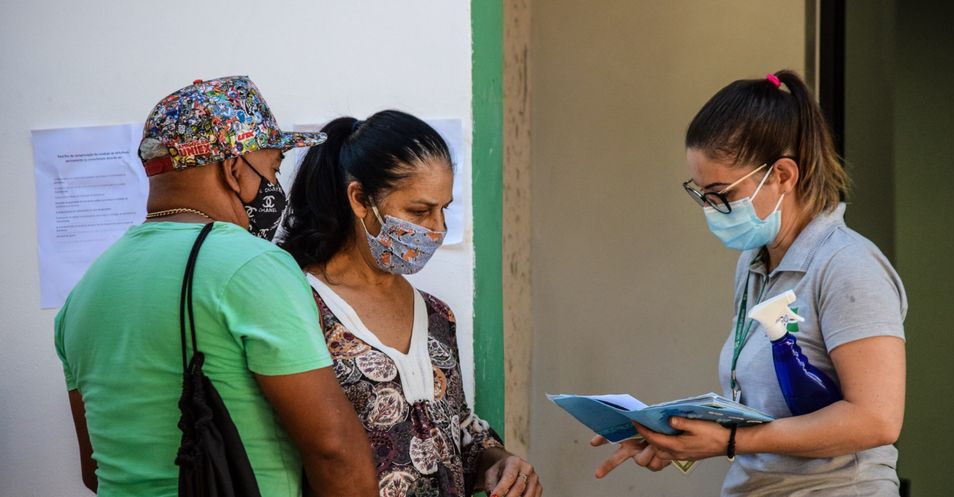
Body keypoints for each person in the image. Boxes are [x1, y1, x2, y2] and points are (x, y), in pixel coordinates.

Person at [54, 76, 378, 497]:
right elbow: (333, 450)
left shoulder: (85, 292)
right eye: (273, 168)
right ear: (233, 169)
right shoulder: (252, 266)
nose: (274, 186)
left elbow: (93, 469)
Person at [592, 70, 907, 496]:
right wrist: (676, 434)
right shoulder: (755, 262)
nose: (711, 209)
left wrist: (730, 441)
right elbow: (766, 415)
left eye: (722, 194)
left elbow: (876, 419)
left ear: (783, 175)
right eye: (702, 194)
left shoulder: (848, 265)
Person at [278, 110, 542, 497]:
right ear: (359, 199)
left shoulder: (436, 315)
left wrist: (499, 462)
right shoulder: (301, 305)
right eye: (419, 211)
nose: (438, 228)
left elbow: (459, 433)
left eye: (443, 209)